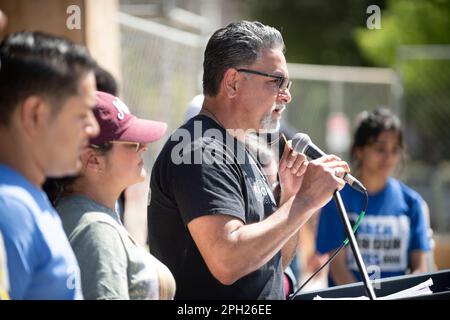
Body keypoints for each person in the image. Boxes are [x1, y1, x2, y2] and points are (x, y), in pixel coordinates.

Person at [148, 21, 350, 299]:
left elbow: (273, 261)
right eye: (276, 81)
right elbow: (228, 261)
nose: (287, 95)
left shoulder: (237, 146)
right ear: (232, 82)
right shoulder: (200, 149)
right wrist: (305, 201)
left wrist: (290, 198)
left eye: (287, 84)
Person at [0, 31, 99, 299]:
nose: (93, 127)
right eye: (82, 114)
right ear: (35, 114)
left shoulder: (25, 200)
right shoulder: (10, 208)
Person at [52, 91, 175, 300]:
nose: (144, 148)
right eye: (132, 143)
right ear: (93, 160)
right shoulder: (95, 229)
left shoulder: (83, 213)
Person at [316, 108, 431, 286]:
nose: (388, 157)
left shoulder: (412, 203)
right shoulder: (337, 199)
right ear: (359, 150)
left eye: (395, 149)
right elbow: (338, 270)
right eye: (380, 148)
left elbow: (420, 269)